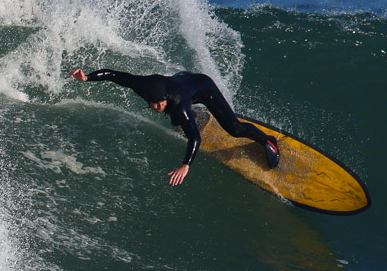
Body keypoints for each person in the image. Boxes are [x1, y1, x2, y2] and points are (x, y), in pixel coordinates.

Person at [69, 68, 279, 186]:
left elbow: (195, 139)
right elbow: (114, 76)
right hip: (181, 79)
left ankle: (268, 141)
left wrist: (186, 164)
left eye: (160, 103)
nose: (157, 107)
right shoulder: (142, 85)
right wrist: (87, 77)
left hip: (202, 87)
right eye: (154, 104)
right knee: (176, 120)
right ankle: (199, 117)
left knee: (234, 129)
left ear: (166, 98)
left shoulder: (177, 103)